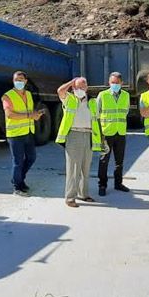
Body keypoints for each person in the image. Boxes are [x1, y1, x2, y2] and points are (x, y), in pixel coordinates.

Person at [56, 77, 102, 208]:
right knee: (73, 168)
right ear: (73, 88)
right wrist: (71, 82)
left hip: (88, 135)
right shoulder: (69, 99)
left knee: (85, 167)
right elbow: (60, 90)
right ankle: (70, 197)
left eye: (83, 86)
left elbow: (96, 120)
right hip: (74, 134)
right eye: (78, 87)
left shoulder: (92, 102)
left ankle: (84, 194)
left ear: (87, 87)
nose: (81, 89)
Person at [2, 71, 43, 197]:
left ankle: (19, 179)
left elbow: (29, 111)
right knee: (18, 161)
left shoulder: (29, 94)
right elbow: (9, 114)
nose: (18, 82)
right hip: (15, 134)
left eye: (20, 79)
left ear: (25, 81)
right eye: (16, 79)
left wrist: (36, 115)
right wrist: (30, 115)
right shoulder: (7, 96)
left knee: (31, 158)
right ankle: (17, 187)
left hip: (28, 132)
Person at [96, 71, 131, 196]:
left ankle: (118, 183)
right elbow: (97, 113)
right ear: (109, 83)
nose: (114, 84)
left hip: (120, 132)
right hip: (106, 133)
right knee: (104, 160)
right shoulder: (102, 95)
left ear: (121, 83)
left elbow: (125, 111)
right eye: (112, 83)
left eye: (117, 83)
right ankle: (102, 185)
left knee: (119, 161)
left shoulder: (126, 95)